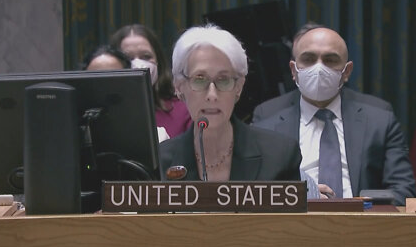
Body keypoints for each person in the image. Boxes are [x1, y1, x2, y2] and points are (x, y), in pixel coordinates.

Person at [253, 25, 416, 205]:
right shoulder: (267, 119)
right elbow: (252, 192)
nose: (319, 68)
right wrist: (297, 198)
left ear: (346, 72)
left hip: (362, 224)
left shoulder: (380, 119)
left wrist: (364, 214)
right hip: (292, 224)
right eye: (309, 59)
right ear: (294, 70)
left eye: (330, 60)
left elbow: (403, 190)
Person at [159, 24, 301, 182]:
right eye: (199, 79)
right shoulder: (158, 163)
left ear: (239, 87)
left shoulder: (279, 155)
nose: (212, 95)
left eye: (223, 80)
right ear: (179, 87)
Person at [110, 24, 192, 138]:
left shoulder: (183, 110)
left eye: (146, 56)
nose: (138, 65)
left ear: (158, 62)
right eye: (128, 58)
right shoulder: (106, 114)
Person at [81, 45, 170, 142]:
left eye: (114, 80)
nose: (106, 89)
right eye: (97, 81)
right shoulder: (70, 138)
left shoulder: (157, 137)